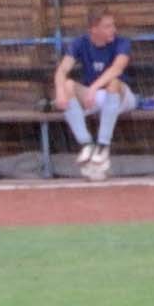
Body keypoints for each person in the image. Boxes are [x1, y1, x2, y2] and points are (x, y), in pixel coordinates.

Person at [53, 9, 132, 180]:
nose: (113, 30)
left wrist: (94, 87)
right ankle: (86, 144)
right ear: (93, 29)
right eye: (107, 26)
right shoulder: (80, 43)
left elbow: (117, 69)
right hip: (94, 97)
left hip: (121, 97)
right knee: (67, 85)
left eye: (113, 25)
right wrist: (59, 91)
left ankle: (103, 145)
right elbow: (63, 69)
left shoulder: (122, 43)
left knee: (113, 82)